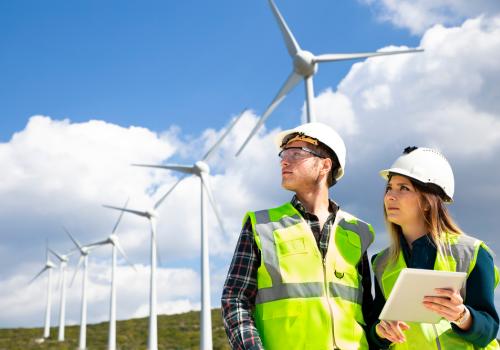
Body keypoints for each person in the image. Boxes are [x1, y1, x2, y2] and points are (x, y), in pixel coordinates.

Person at [221, 122, 376, 349]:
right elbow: (235, 300)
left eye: (296, 154)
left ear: (324, 165)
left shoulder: (358, 231)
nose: (284, 161)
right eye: (283, 154)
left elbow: (368, 309)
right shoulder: (261, 225)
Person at [369, 146, 499, 349]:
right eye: (389, 188)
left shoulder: (472, 253)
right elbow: (375, 335)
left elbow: (488, 330)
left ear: (428, 201)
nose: (390, 197)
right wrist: (380, 331)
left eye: (403, 188)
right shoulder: (381, 263)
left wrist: (462, 316)